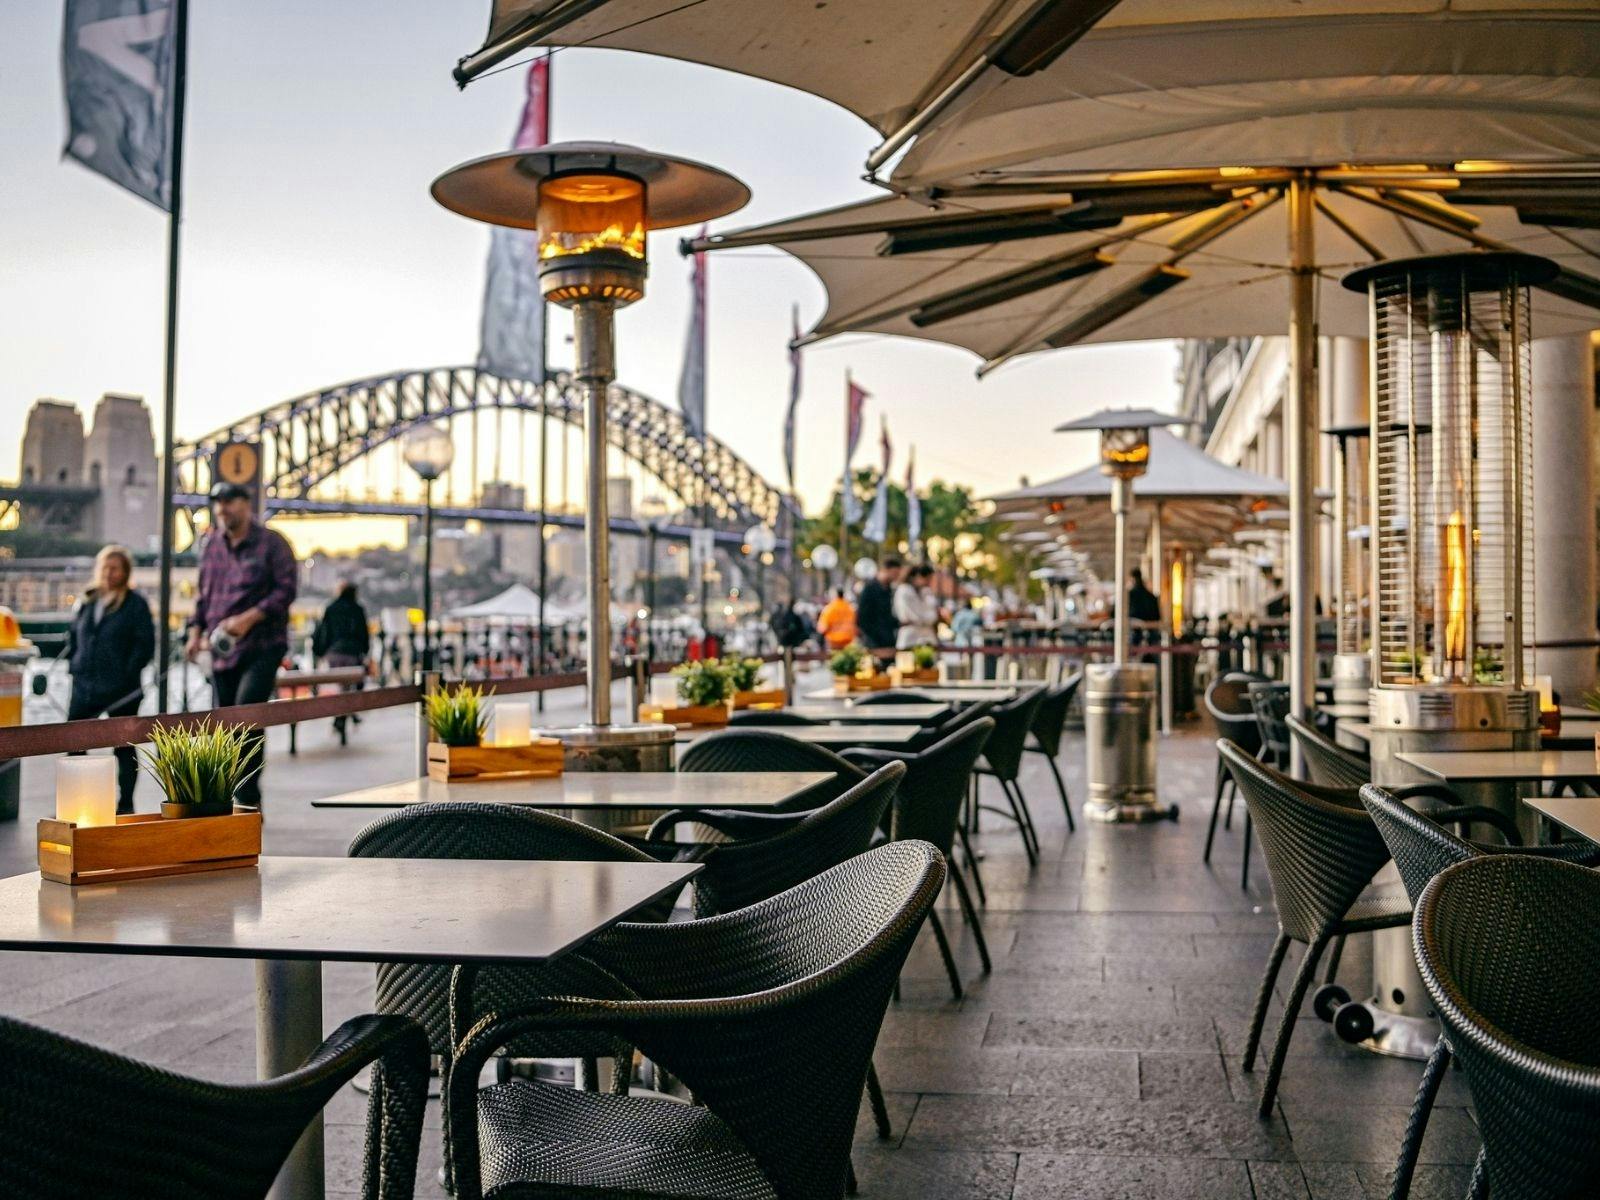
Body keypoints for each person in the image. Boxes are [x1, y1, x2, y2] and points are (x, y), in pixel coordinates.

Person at [186, 482, 297, 810]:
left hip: (263, 645)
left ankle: (247, 800)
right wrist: (194, 632)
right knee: (223, 723)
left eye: (230, 501)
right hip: (222, 649)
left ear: (246, 505)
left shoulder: (272, 544)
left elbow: (286, 591)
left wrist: (249, 618)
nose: (222, 508)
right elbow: (203, 595)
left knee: (246, 717)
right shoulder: (211, 545)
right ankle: (226, 795)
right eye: (218, 503)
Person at [65, 545, 155, 813]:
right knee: (73, 743)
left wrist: (128, 673)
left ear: (125, 572)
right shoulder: (88, 600)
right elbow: (74, 636)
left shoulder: (135, 604)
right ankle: (77, 803)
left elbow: (145, 645)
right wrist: (75, 665)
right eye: (105, 567)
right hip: (84, 685)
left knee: (124, 747)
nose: (109, 573)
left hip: (122, 689)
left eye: (115, 568)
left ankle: (125, 804)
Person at [311, 581, 370, 743]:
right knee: (349, 687)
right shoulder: (358, 609)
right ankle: (345, 715)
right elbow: (363, 633)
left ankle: (340, 718)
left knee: (340, 687)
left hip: (334, 653)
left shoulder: (330, 608)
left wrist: (320, 652)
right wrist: (364, 651)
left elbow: (323, 632)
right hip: (353, 652)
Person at [855, 555, 902, 650]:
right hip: (874, 641)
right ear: (885, 570)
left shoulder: (889, 589)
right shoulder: (870, 589)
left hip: (888, 640)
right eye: (895, 573)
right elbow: (862, 617)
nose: (896, 577)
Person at [894, 563, 941, 648]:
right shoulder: (904, 591)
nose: (928, 582)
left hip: (927, 636)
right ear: (917, 576)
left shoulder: (926, 591)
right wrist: (927, 618)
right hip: (910, 635)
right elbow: (914, 616)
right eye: (927, 578)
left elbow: (933, 615)